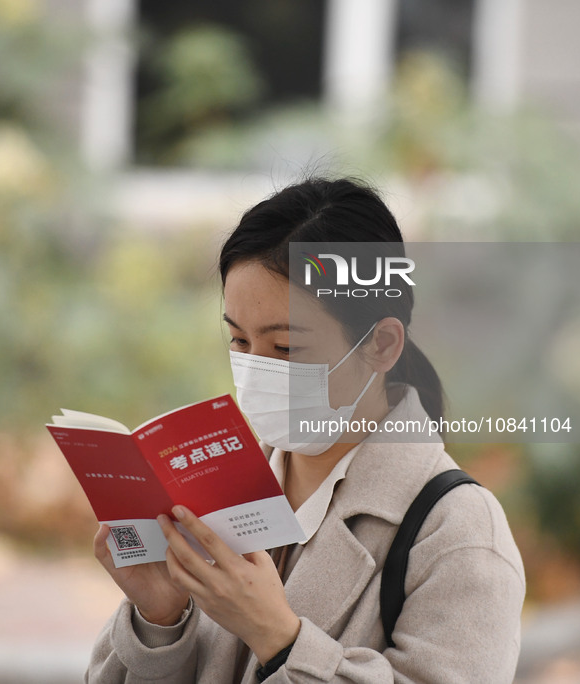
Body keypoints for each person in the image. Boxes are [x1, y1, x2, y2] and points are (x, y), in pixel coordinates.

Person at [86, 177, 525, 683]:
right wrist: (160, 622)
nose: (255, 368)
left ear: (381, 344)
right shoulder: (216, 484)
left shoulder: (458, 533)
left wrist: (279, 638)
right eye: (238, 340)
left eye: (286, 348)